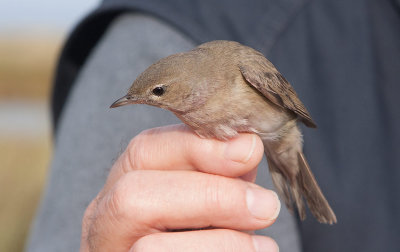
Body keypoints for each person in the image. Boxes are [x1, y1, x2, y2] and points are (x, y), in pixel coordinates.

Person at [26, 0, 400, 251]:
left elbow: (284, 99)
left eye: (157, 93)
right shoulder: (152, 37)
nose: (146, 102)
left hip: (281, 135)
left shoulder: (240, 64)